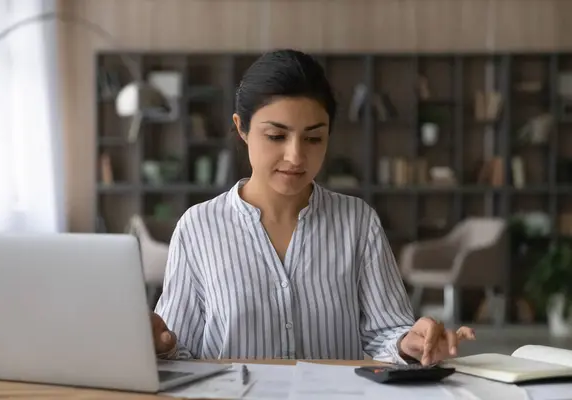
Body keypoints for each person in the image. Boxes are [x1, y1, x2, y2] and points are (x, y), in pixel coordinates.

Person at [151, 49, 475, 365]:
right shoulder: (198, 227)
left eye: (313, 138)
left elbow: (387, 332)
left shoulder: (358, 222)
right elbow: (179, 350)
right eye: (277, 136)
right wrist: (158, 345)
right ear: (242, 128)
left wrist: (410, 344)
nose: (295, 157)